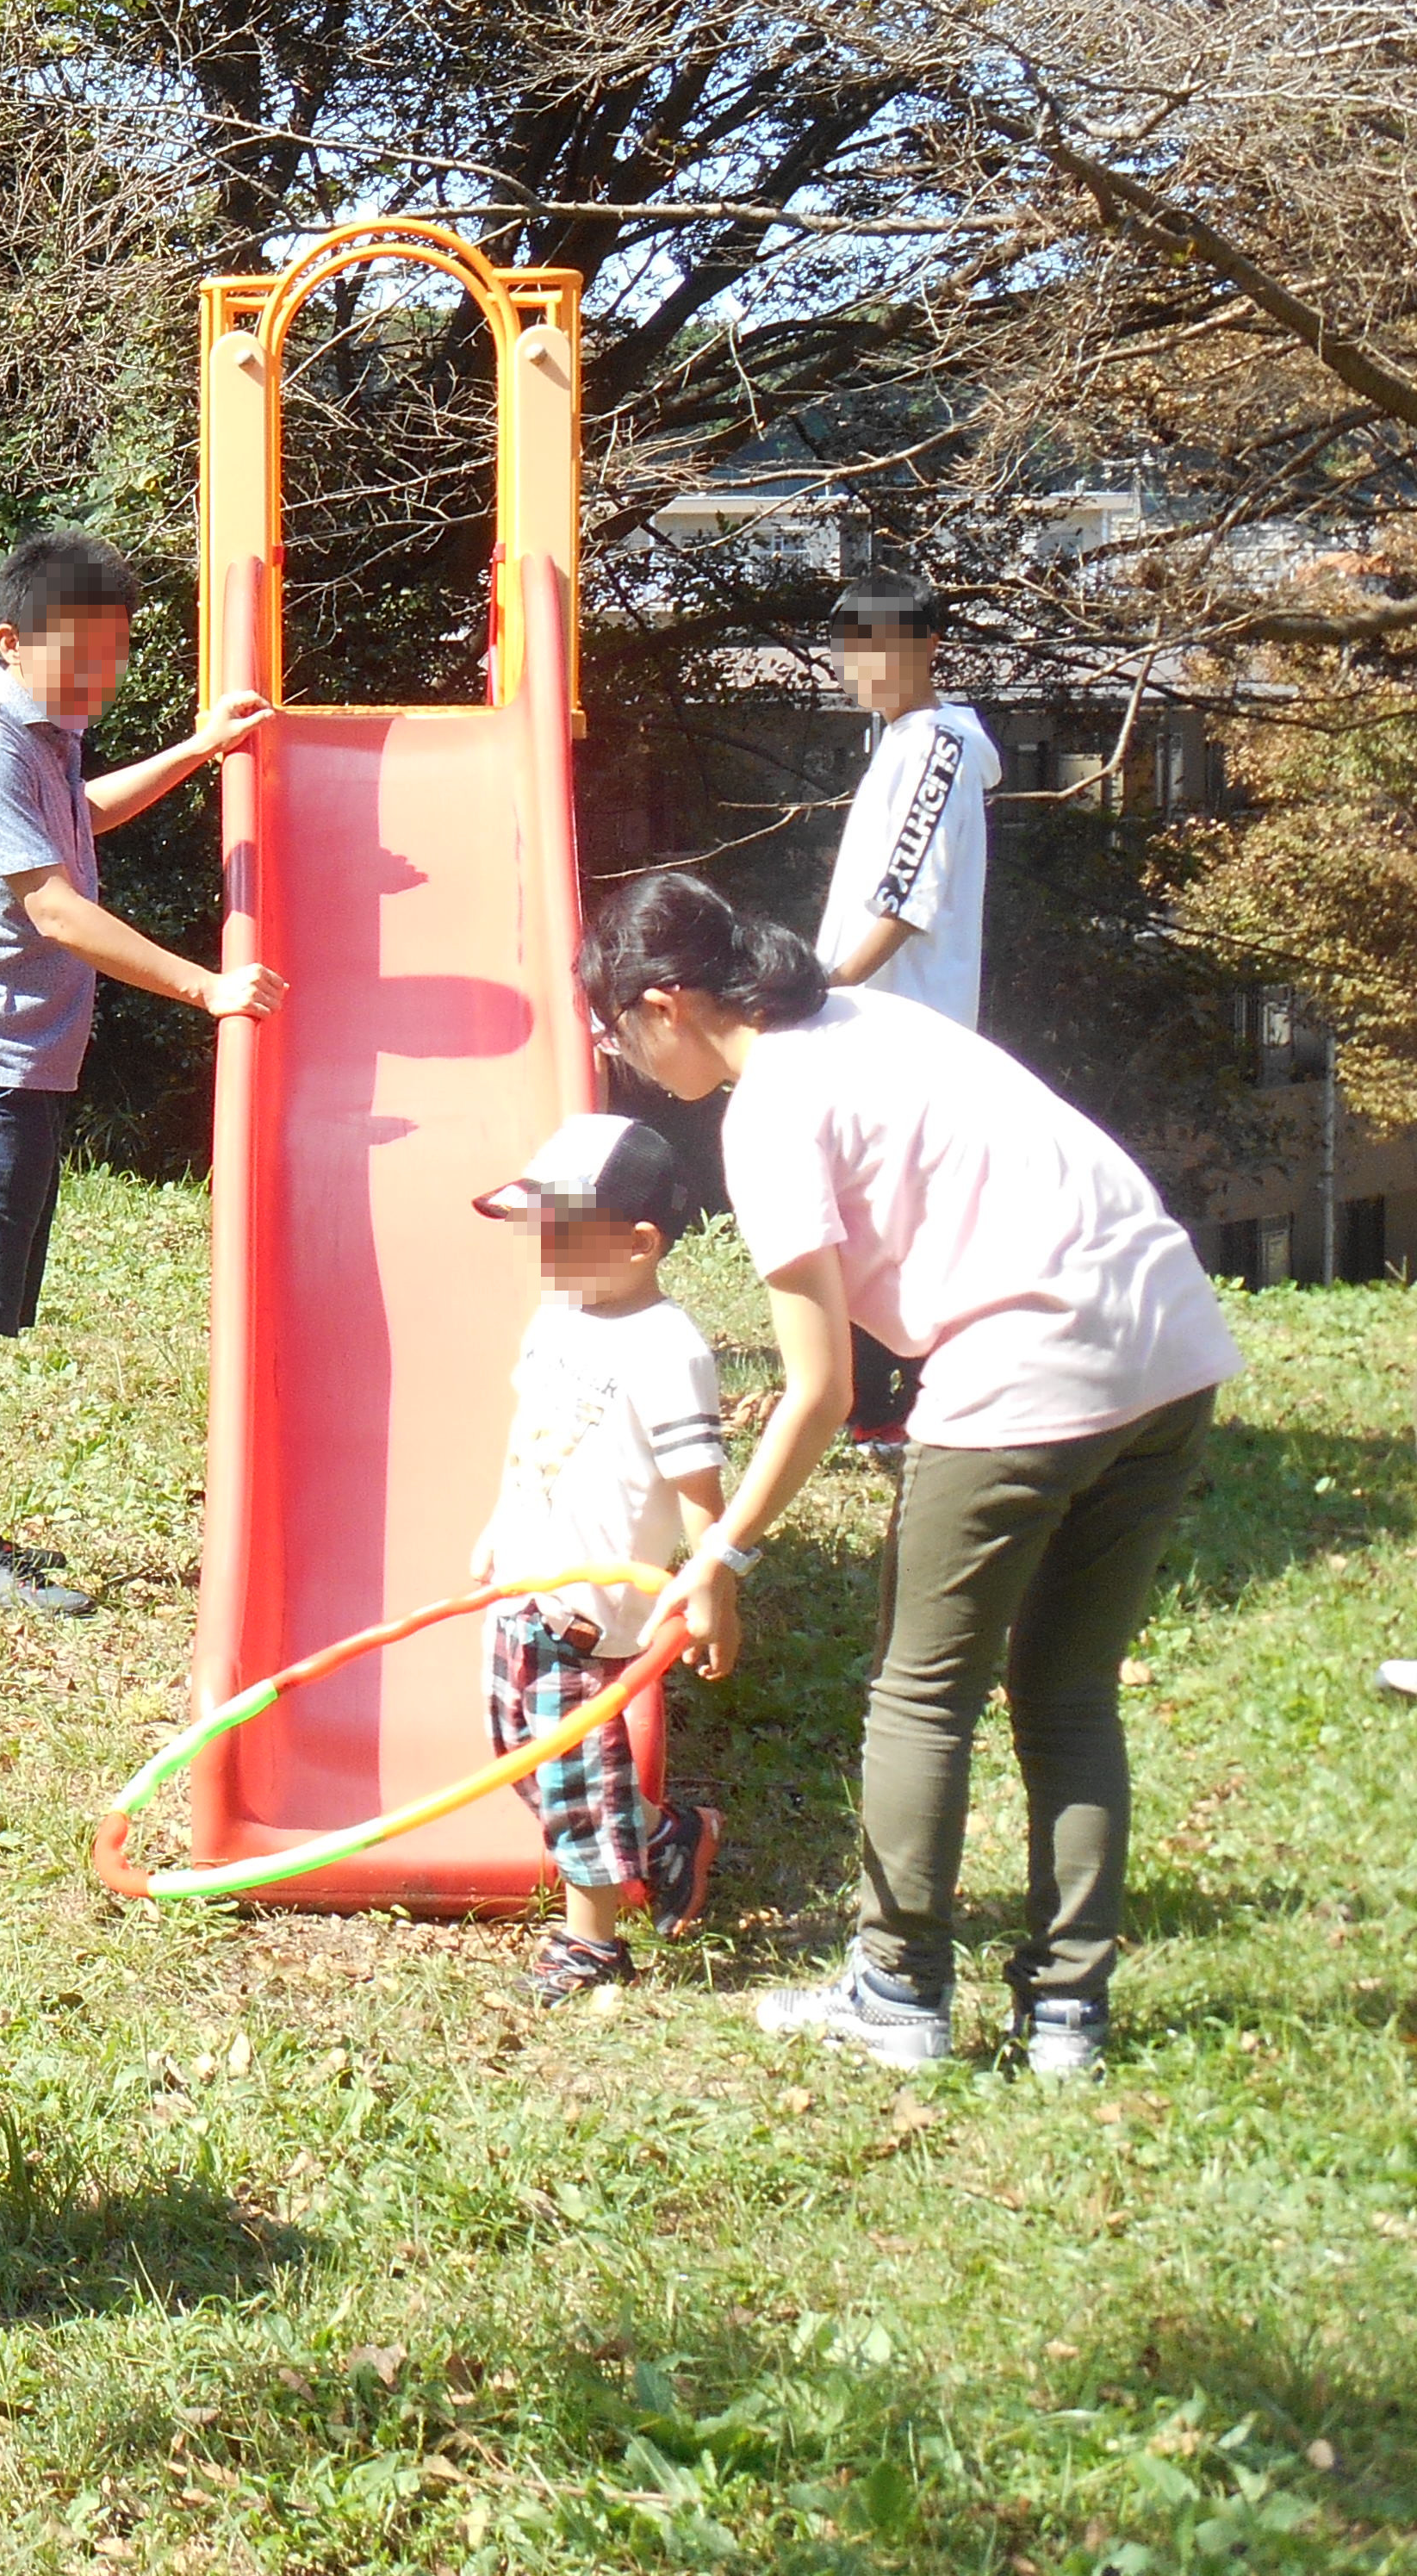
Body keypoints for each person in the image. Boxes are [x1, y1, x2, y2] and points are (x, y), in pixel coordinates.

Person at [594, 870, 1241, 2082]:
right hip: (1171, 1345)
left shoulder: (769, 1111)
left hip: (1025, 1369)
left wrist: (722, 1552)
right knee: (1068, 1695)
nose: (622, 1059)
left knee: (920, 1696)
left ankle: (896, 1994)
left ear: (665, 1005)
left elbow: (820, 1392)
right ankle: (1067, 2021)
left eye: (615, 1031)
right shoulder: (872, 1018)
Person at [0, 526, 280, 1612]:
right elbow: (54, 909)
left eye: (115, 654)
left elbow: (79, 823)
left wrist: (199, 748)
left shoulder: (44, 736)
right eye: (82, 655)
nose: (101, 678)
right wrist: (207, 987)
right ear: (11, 642)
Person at [464, 1112, 731, 2004]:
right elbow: (531, 1435)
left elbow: (700, 1491)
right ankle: (662, 1838)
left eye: (560, 1233)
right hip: (522, 1582)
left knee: (575, 1774)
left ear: (640, 1243)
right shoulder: (557, 1317)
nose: (541, 1251)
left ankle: (591, 1946)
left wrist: (712, 1587)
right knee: (517, 1747)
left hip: (588, 1609)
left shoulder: (668, 1350)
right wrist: (498, 1525)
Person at [813, 574, 1003, 1447]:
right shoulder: (901, 742)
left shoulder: (937, 746)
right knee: (863, 1218)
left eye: (876, 645)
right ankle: (868, 1408)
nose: (858, 665)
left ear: (925, 646)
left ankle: (908, 1412)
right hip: (870, 1024)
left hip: (902, 1029)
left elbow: (905, 897)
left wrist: (825, 990)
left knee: (900, 1226)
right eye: (847, 648)